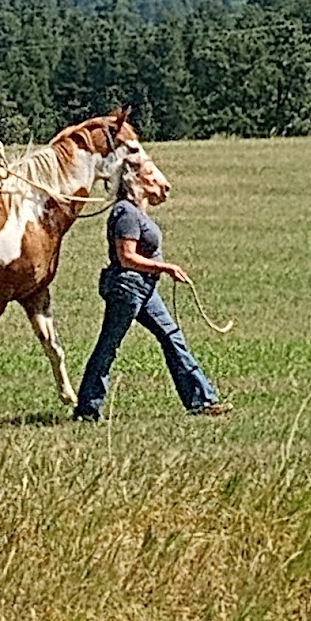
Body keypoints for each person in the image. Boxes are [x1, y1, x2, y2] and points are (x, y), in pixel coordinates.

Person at [72, 155, 233, 421]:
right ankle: (87, 409)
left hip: (144, 288)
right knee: (108, 346)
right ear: (135, 178)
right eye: (150, 173)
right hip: (128, 287)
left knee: (172, 337)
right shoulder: (125, 212)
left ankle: (202, 400)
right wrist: (166, 268)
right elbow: (126, 257)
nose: (157, 179)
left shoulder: (135, 211)